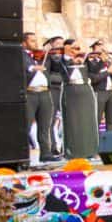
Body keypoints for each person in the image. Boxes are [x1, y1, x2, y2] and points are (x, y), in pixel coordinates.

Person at [57, 41, 99, 159]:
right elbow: (59, 66)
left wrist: (94, 59)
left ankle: (91, 150)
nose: (76, 50)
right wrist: (69, 58)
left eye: (77, 48)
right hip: (70, 91)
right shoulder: (61, 59)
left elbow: (95, 71)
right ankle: (73, 152)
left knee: (88, 121)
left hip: (85, 91)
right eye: (73, 48)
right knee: (73, 122)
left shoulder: (84, 59)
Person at [22, 33, 57, 162]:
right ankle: (23, 155)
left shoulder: (42, 56)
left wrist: (53, 53)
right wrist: (34, 67)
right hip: (30, 93)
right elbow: (25, 66)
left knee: (45, 125)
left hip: (44, 92)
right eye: (32, 41)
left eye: (36, 41)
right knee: (27, 124)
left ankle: (45, 153)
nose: (35, 44)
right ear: (24, 43)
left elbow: (56, 66)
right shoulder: (22, 55)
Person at [87, 40, 112, 133]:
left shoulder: (107, 61)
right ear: (94, 48)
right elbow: (94, 78)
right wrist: (107, 70)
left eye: (102, 45)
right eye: (99, 45)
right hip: (99, 92)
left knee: (110, 120)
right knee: (97, 119)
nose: (102, 47)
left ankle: (111, 142)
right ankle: (94, 142)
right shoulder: (90, 62)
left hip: (110, 92)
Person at [43, 36, 65, 154]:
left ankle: (64, 145)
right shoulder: (50, 56)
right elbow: (49, 70)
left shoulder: (65, 55)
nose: (60, 45)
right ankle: (53, 147)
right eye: (58, 43)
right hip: (54, 88)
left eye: (62, 43)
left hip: (65, 87)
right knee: (51, 119)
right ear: (52, 44)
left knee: (65, 119)